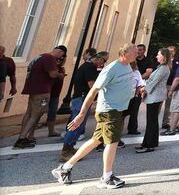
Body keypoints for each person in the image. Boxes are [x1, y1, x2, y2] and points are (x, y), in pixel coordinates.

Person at [51, 43, 137, 188]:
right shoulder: (111, 69)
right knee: (112, 142)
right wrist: (81, 114)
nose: (137, 53)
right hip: (109, 111)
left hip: (116, 110)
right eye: (134, 51)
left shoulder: (128, 66)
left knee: (96, 140)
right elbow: (93, 91)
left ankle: (65, 168)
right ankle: (106, 177)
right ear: (124, 53)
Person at [14, 45, 67, 149]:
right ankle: (22, 139)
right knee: (36, 114)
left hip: (33, 89)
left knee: (29, 113)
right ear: (60, 52)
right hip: (42, 90)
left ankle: (25, 136)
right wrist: (60, 75)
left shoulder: (39, 57)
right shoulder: (50, 58)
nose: (59, 59)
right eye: (61, 56)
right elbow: (52, 74)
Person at [59, 52, 108, 162]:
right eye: (104, 61)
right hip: (81, 98)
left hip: (80, 98)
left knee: (78, 124)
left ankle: (70, 147)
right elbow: (92, 85)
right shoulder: (90, 67)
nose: (103, 64)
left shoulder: (87, 66)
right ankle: (66, 150)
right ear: (98, 58)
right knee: (77, 123)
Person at [136, 48, 171, 153]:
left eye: (158, 54)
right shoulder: (161, 67)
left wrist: (143, 89)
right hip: (154, 96)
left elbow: (154, 82)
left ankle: (149, 145)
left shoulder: (164, 68)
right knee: (152, 121)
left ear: (164, 56)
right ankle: (147, 143)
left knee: (152, 122)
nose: (156, 56)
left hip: (155, 97)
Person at [161, 46, 179, 130]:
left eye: (172, 51)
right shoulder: (162, 61)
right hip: (162, 85)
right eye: (169, 51)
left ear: (175, 52)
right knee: (158, 104)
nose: (171, 52)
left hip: (171, 85)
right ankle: (153, 121)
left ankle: (166, 122)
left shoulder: (178, 62)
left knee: (168, 106)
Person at [47, 56, 67, 137]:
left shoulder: (62, 69)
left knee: (52, 113)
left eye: (61, 59)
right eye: (58, 59)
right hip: (46, 93)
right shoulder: (51, 68)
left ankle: (51, 131)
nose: (59, 61)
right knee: (39, 112)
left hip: (55, 94)